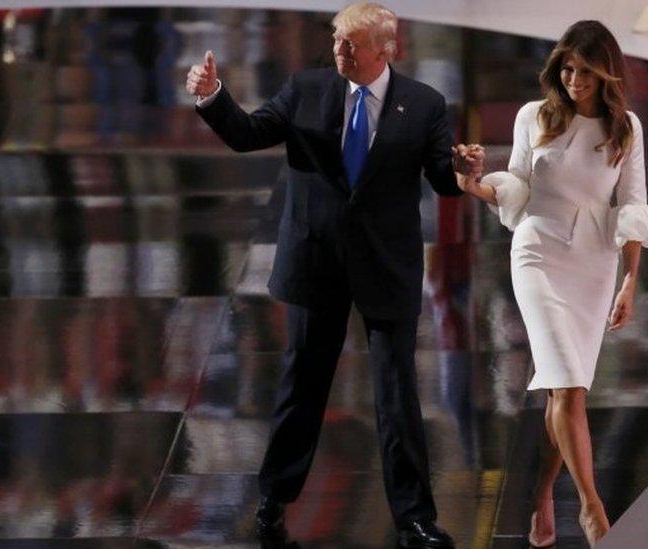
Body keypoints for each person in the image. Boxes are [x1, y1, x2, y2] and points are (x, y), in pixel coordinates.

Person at [185, 3, 480, 547]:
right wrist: (212, 95)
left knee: (397, 394)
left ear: (386, 49)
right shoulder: (306, 89)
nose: (340, 50)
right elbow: (249, 133)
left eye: (352, 43)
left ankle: (415, 518)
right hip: (315, 260)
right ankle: (273, 500)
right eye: (337, 39)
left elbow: (442, 178)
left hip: (385, 265)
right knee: (303, 385)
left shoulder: (423, 105)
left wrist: (462, 171)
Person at [454, 20, 648, 547]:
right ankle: (593, 510)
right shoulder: (534, 115)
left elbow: (631, 204)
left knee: (561, 388)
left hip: (595, 263)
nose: (573, 79)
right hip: (536, 251)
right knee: (567, 383)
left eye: (584, 71)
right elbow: (518, 188)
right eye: (566, 67)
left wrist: (630, 282)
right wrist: (470, 183)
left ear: (605, 73)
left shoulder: (626, 129)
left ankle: (544, 493)